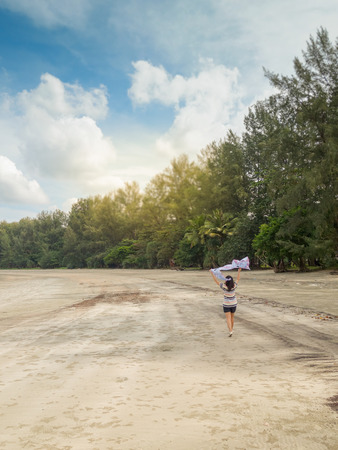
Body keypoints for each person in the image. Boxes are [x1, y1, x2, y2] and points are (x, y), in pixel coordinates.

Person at [210, 268, 241, 337]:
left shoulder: (224, 286)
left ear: (226, 281)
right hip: (233, 304)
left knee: (228, 319)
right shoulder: (234, 286)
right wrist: (239, 271)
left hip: (226, 305)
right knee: (232, 318)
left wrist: (212, 273)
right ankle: (231, 330)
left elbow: (216, 281)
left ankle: (230, 331)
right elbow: (238, 279)